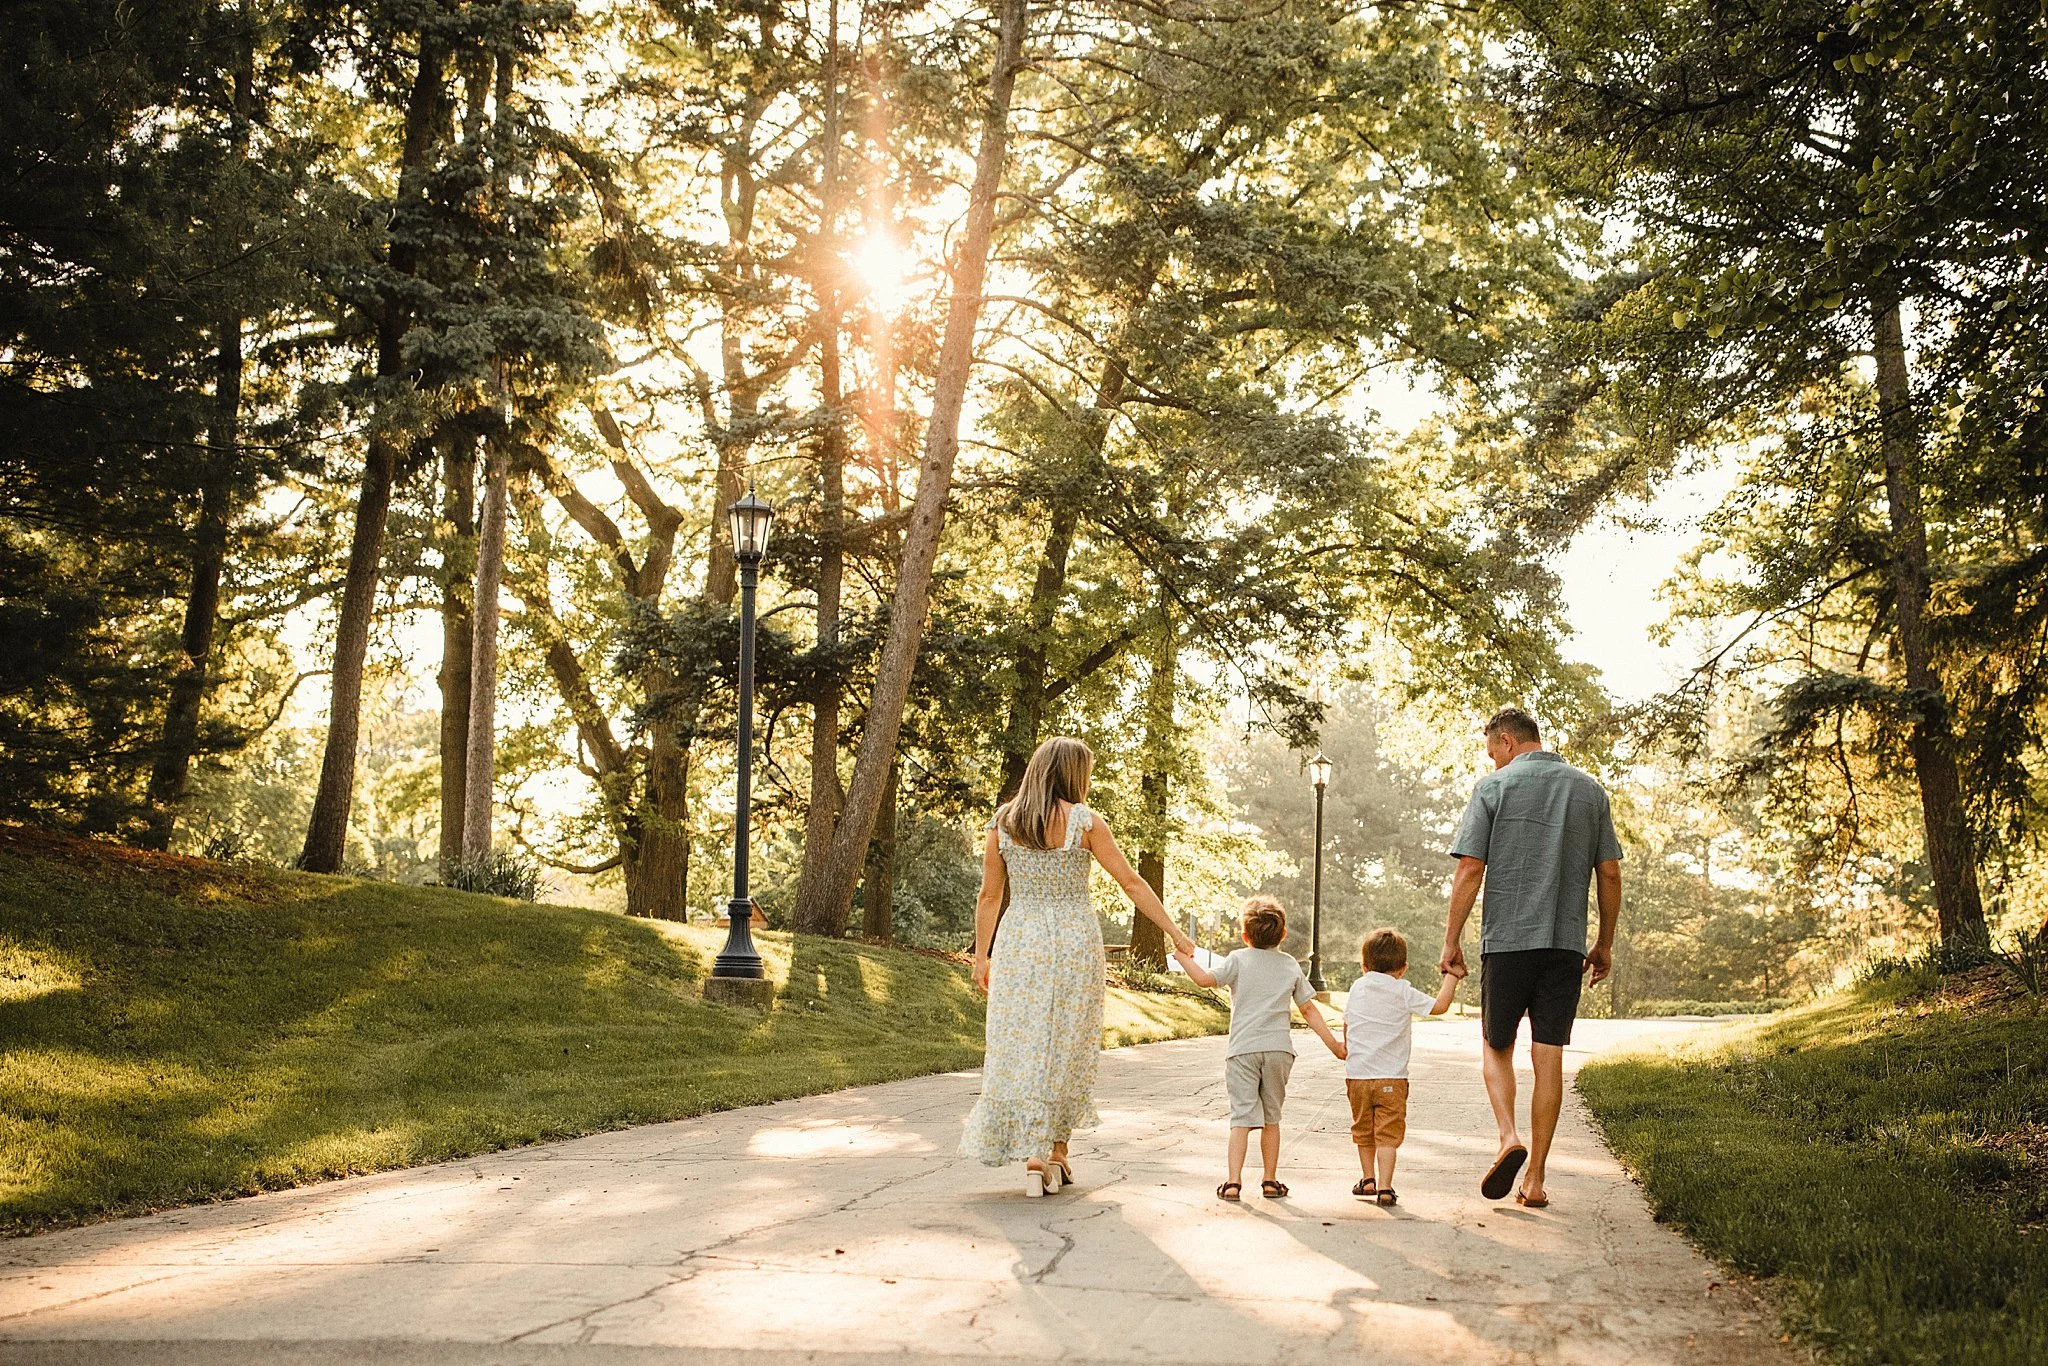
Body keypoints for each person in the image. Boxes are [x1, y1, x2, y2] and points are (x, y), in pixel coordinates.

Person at [962, 737, 1195, 1197]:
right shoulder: (1085, 822)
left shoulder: (1003, 823)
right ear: (1072, 774)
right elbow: (1130, 882)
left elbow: (989, 897)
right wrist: (1174, 931)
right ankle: (1056, 1150)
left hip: (1021, 941)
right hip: (1072, 941)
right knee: (1069, 1040)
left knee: (1022, 1041)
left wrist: (981, 957)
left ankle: (1035, 1154)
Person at [1440, 706, 1621, 1209]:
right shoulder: (1590, 791)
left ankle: (1507, 1137)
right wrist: (1604, 942)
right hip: (1565, 945)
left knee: (1496, 1046)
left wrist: (1451, 940)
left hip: (1508, 940)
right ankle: (1536, 1179)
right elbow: (1609, 873)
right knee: (1549, 1058)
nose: (1493, 762)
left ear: (1506, 740)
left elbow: (1470, 868)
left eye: (1492, 752)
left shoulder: (1493, 788)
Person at [1173, 896, 1344, 1201]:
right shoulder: (1290, 964)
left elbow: (1202, 979)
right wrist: (1334, 1046)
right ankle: (1269, 1180)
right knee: (1271, 1119)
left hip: (1243, 1052)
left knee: (1241, 1118)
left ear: (1244, 935)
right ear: (1283, 934)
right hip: (1278, 1051)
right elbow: (1309, 1010)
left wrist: (1183, 956)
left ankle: (1233, 1181)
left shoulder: (1238, 959)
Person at [1342, 927, 1463, 1207]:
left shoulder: (1357, 987)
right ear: (1403, 968)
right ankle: (1385, 1187)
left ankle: (1367, 1178)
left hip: (1357, 1076)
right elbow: (1440, 1006)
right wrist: (1452, 977)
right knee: (1387, 1135)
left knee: (1363, 1131)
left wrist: (1348, 1049)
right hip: (1392, 1080)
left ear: (1363, 966)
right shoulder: (1402, 989)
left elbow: (1348, 1024)